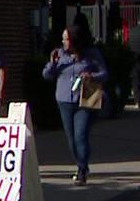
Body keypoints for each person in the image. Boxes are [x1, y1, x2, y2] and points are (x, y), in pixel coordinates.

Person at [43, 16, 110, 183]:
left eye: (67, 39)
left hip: (84, 100)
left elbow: (105, 74)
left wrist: (91, 75)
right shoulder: (59, 55)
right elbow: (47, 75)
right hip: (64, 100)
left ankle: (81, 169)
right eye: (63, 39)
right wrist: (52, 63)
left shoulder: (91, 54)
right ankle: (81, 164)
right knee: (71, 138)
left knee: (80, 135)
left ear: (75, 40)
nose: (64, 42)